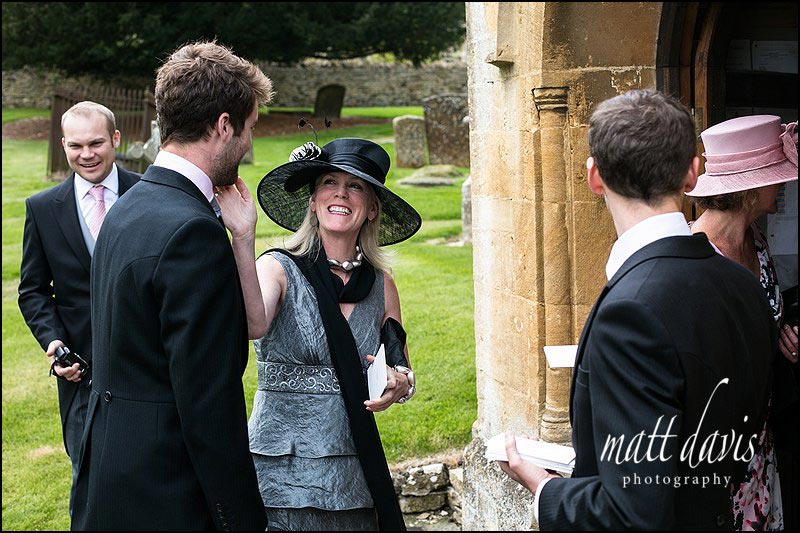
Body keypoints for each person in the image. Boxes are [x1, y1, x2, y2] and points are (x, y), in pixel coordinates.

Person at [498, 89, 777, 530]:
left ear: (593, 176)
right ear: (693, 173)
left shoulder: (629, 314)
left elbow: (631, 512)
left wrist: (545, 490)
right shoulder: (744, 283)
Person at [70, 41, 272, 530]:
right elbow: (208, 399)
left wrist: (241, 237)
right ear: (224, 125)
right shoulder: (192, 232)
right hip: (168, 492)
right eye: (247, 129)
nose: (247, 144)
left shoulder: (129, 207)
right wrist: (241, 516)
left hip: (112, 473)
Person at [217, 137, 421, 531]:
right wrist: (242, 239)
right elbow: (252, 325)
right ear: (313, 200)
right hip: (279, 470)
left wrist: (400, 383)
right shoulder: (277, 268)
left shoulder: (382, 285)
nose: (340, 193)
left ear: (372, 208)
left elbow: (401, 367)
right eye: (329, 182)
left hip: (352, 472)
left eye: (356, 185)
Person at [17, 101, 140, 516]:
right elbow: (33, 290)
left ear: (116, 140)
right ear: (63, 145)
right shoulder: (42, 208)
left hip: (145, 366)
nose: (86, 154)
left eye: (96, 143)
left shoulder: (147, 194)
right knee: (88, 479)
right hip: (79, 370)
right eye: (75, 146)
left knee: (148, 476)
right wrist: (54, 345)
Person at [686, 114, 798, 530]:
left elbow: (764, 323)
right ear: (750, 188)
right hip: (711, 451)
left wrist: (783, 338)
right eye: (777, 175)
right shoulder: (686, 256)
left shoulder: (759, 244)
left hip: (760, 445)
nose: (784, 184)